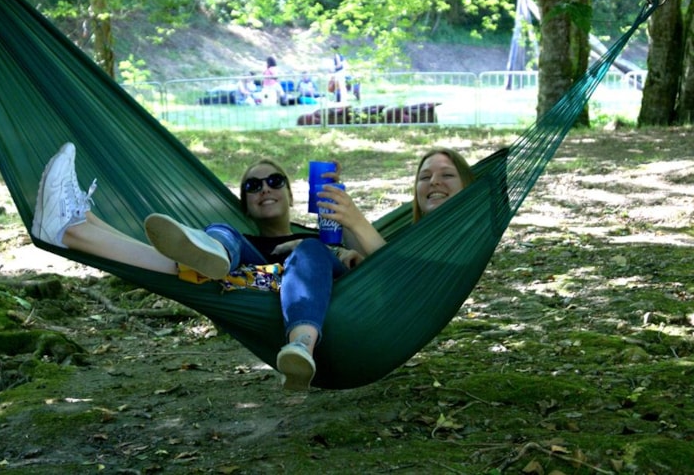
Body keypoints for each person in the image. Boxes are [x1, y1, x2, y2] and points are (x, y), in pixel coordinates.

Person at [32, 143, 363, 391]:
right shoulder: (242, 239)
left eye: (275, 181)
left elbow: (369, 263)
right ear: (245, 205)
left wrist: (337, 234)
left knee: (310, 249)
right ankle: (80, 228)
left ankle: (300, 347)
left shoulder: (320, 236)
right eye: (252, 186)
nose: (264, 188)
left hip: (315, 285)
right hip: (242, 274)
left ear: (291, 195)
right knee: (221, 234)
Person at [317, 147, 474, 256]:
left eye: (447, 175)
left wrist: (357, 221)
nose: (433, 181)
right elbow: (370, 261)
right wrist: (339, 207)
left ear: (467, 185)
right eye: (425, 177)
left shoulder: (467, 236)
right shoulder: (418, 236)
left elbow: (403, 272)